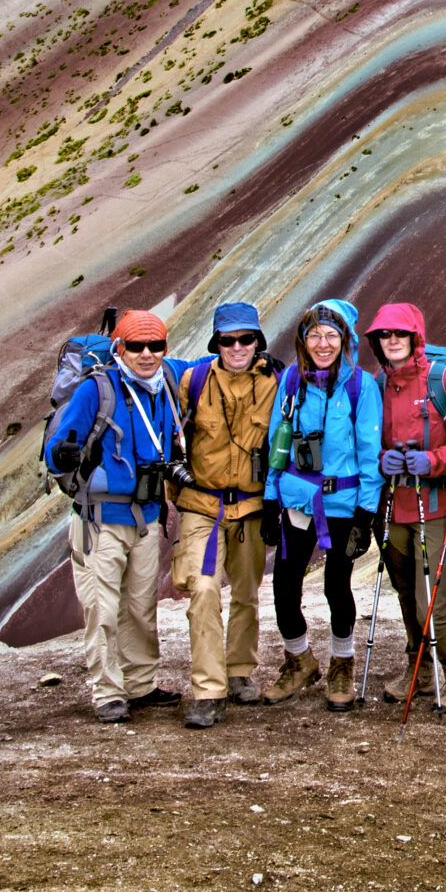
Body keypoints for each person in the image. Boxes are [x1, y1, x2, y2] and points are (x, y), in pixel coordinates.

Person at [43, 309, 184, 723]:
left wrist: (256, 356)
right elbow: (59, 445)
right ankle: (107, 692)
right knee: (102, 607)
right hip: (99, 519)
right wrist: (61, 454)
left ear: (164, 348)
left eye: (155, 346)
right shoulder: (96, 390)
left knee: (141, 605)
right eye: (136, 346)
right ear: (119, 348)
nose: (146, 354)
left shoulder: (165, 383)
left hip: (145, 516)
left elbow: (206, 363)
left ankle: (140, 684)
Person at [260, 299, 383, 711]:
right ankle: (299, 660)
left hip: (344, 504)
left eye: (332, 335)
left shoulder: (360, 387)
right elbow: (278, 442)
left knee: (336, 585)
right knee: (283, 585)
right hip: (297, 499)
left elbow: (370, 453)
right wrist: (269, 499)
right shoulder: (293, 380)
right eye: (315, 335)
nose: (323, 343)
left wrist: (366, 514)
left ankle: (342, 663)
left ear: (345, 339)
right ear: (303, 339)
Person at [168, 302, 281, 729]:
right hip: (201, 504)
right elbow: (173, 439)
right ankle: (208, 691)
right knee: (203, 589)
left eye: (245, 339)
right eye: (227, 340)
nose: (237, 347)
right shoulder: (193, 381)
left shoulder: (276, 382)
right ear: (216, 343)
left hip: (252, 507)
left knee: (247, 593)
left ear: (258, 341)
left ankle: (238, 671)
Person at [364, 302, 446, 712]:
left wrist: (432, 461)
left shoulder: (443, 381)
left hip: (437, 507)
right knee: (407, 596)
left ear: (415, 338)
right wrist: (380, 460)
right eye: (384, 336)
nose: (391, 341)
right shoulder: (378, 384)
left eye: (399, 334)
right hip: (393, 507)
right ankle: (420, 673)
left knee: (432, 604)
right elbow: (367, 440)